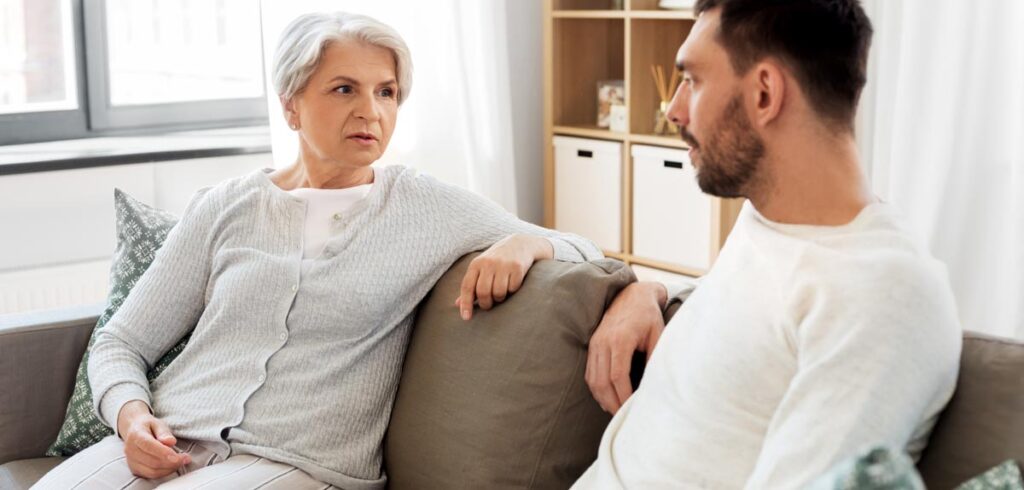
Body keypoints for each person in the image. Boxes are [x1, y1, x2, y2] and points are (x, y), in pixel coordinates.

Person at [33, 12, 601, 490]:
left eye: (387, 92)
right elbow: (121, 340)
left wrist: (526, 242)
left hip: (298, 463)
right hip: (172, 436)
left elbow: (586, 253)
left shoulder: (424, 206)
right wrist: (131, 418)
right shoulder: (226, 205)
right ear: (291, 106)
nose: (371, 111)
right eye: (344, 89)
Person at [576, 0, 962, 488]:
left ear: (764, 94)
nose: (673, 110)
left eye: (692, 80)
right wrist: (648, 292)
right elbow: (752, 328)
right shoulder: (769, 220)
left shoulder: (886, 294)